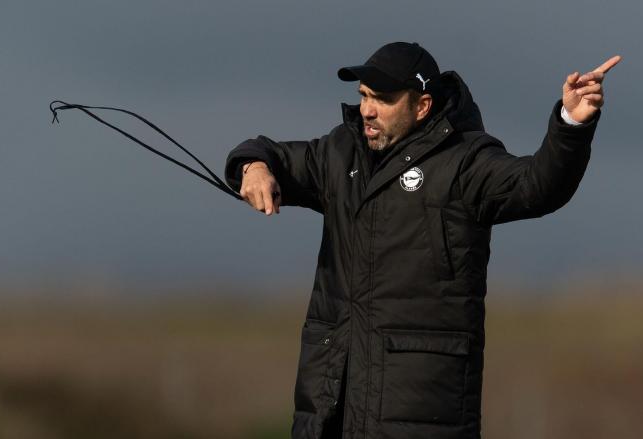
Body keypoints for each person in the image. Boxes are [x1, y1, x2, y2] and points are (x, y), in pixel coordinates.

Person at [224, 42, 620, 439]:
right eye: (363, 96)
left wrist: (572, 124)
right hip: (328, 413)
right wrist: (254, 167)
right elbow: (269, 152)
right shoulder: (340, 153)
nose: (367, 109)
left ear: (422, 106)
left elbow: (539, 185)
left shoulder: (466, 161)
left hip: (423, 413)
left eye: (382, 98)